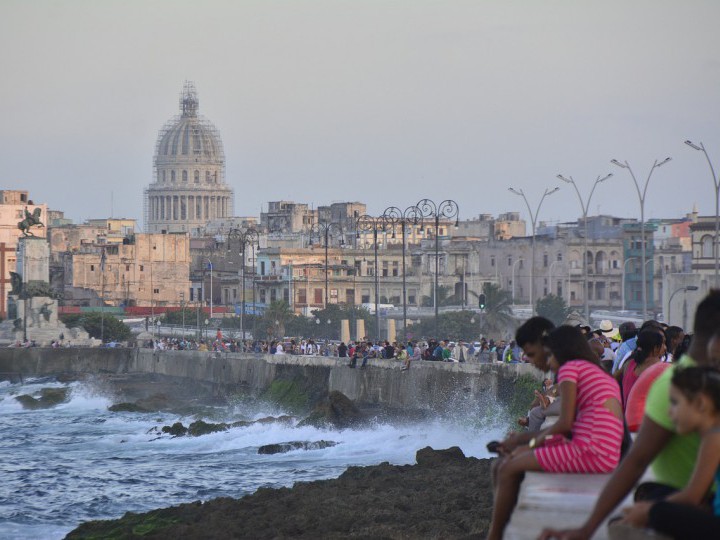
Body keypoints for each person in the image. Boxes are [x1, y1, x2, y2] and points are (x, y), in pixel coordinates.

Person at [540, 289, 720, 540]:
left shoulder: (682, 382)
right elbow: (638, 462)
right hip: (697, 499)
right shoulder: (681, 384)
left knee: (646, 509)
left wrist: (589, 527)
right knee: (648, 499)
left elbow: (636, 461)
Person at [487, 325, 623, 540]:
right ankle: (506, 527)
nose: (548, 363)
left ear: (562, 352)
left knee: (506, 469)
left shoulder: (570, 370)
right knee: (505, 463)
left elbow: (564, 424)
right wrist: (523, 441)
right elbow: (573, 425)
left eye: (550, 356)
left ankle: (495, 535)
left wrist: (529, 445)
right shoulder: (595, 370)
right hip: (604, 450)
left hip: (590, 451)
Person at [616, 365, 720, 538]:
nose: (669, 412)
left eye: (675, 403)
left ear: (701, 403)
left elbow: (693, 496)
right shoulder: (711, 435)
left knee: (659, 512)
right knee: (649, 491)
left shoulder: (714, 438)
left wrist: (648, 510)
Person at [619, 329, 665, 408]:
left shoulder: (629, 364)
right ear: (656, 348)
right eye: (663, 344)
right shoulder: (661, 369)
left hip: (626, 417)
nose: (665, 347)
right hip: (644, 418)